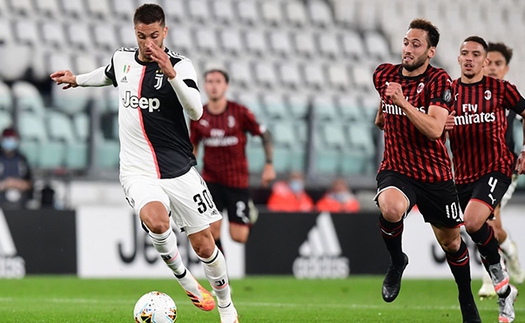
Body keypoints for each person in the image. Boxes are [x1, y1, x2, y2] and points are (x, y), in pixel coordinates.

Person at [50, 4, 239, 323]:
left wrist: (172, 75)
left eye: (153, 36)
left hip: (179, 169)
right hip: (137, 171)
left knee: (205, 246)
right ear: (134, 33)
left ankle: (226, 306)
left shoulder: (181, 65)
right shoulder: (123, 58)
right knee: (156, 221)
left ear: (164, 32)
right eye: (141, 36)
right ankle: (186, 280)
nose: (147, 43)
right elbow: (107, 74)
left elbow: (196, 112)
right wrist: (77, 79)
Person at [372, 19, 480, 322]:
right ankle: (397, 262)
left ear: (430, 51)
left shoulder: (439, 81)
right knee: (391, 209)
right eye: (406, 42)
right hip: (396, 168)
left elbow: (434, 129)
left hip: (434, 175)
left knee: (451, 242)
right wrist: (387, 107)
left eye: (416, 44)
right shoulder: (384, 74)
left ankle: (465, 297)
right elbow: (382, 119)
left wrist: (403, 103)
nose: (408, 49)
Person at [446, 36, 525, 323]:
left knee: (475, 221)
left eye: (476, 54)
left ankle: (498, 281)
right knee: (473, 230)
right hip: (462, 175)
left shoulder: (500, 89)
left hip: (496, 168)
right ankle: (505, 290)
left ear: (484, 61)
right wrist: (440, 125)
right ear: (458, 59)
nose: (469, 58)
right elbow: (431, 130)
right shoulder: (448, 92)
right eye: (464, 53)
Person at [190, 69, 275, 252]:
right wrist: (188, 171)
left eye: (218, 81)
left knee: (238, 236)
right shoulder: (198, 115)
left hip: (237, 182)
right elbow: (193, 145)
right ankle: (222, 279)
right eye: (210, 81)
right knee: (212, 232)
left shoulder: (240, 112)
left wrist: (269, 165)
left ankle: (248, 213)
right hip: (211, 181)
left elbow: (264, 134)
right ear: (204, 86)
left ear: (226, 86)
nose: (214, 86)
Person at [477, 42, 525, 299]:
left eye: (498, 64)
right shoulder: (469, 94)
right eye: (489, 62)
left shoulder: (508, 96)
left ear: (506, 69)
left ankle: (491, 280)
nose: (493, 68)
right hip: (474, 170)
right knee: (494, 228)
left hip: (503, 170)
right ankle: (511, 250)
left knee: (485, 222)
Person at [0, 127, 33, 209]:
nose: (9, 141)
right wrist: (5, 184)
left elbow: (29, 182)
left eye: (11, 139)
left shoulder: (21, 159)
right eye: (7, 138)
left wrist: (16, 183)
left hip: (20, 203)